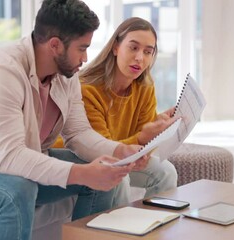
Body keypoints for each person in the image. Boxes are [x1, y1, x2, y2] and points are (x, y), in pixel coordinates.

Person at [0, 1, 149, 239]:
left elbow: (79, 134)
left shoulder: (66, 73)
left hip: (27, 160)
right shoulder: (2, 70)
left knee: (108, 172)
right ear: (55, 45)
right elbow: (10, 156)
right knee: (18, 190)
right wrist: (82, 173)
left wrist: (120, 151)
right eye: (81, 48)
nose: (86, 58)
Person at [53, 17, 179, 207]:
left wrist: (156, 132)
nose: (140, 58)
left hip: (121, 154)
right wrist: (143, 138)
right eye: (133, 48)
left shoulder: (145, 88)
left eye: (148, 52)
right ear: (115, 48)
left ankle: (155, 229)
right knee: (119, 178)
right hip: (81, 156)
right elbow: (100, 149)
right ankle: (121, 234)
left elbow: (143, 148)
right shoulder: (88, 89)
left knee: (166, 171)